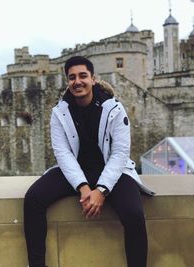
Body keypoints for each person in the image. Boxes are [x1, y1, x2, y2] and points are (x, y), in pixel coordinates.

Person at [24, 56, 154, 267]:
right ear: (68, 81)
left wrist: (101, 190)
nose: (78, 81)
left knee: (134, 214)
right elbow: (62, 153)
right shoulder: (59, 112)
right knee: (33, 199)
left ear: (93, 79)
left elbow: (120, 153)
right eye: (72, 77)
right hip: (75, 171)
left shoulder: (114, 109)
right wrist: (83, 187)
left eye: (83, 76)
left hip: (113, 171)